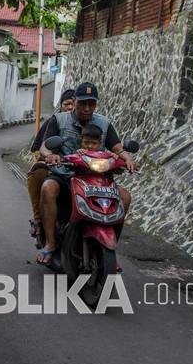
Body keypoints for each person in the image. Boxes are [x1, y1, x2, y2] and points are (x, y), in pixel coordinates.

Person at [36, 82, 139, 264]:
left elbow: (117, 147)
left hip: (97, 181)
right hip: (65, 176)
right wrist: (50, 156)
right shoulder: (59, 120)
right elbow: (45, 147)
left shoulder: (104, 123)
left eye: (91, 104)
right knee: (48, 188)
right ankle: (51, 243)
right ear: (74, 101)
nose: (87, 108)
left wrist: (128, 158)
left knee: (125, 197)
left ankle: (110, 246)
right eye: (83, 103)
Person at [26, 88, 76, 240]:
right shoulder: (53, 122)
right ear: (60, 106)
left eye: (73, 104)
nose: (70, 108)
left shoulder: (89, 124)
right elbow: (38, 150)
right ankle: (38, 220)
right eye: (66, 104)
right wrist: (48, 158)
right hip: (54, 169)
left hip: (80, 171)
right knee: (36, 173)